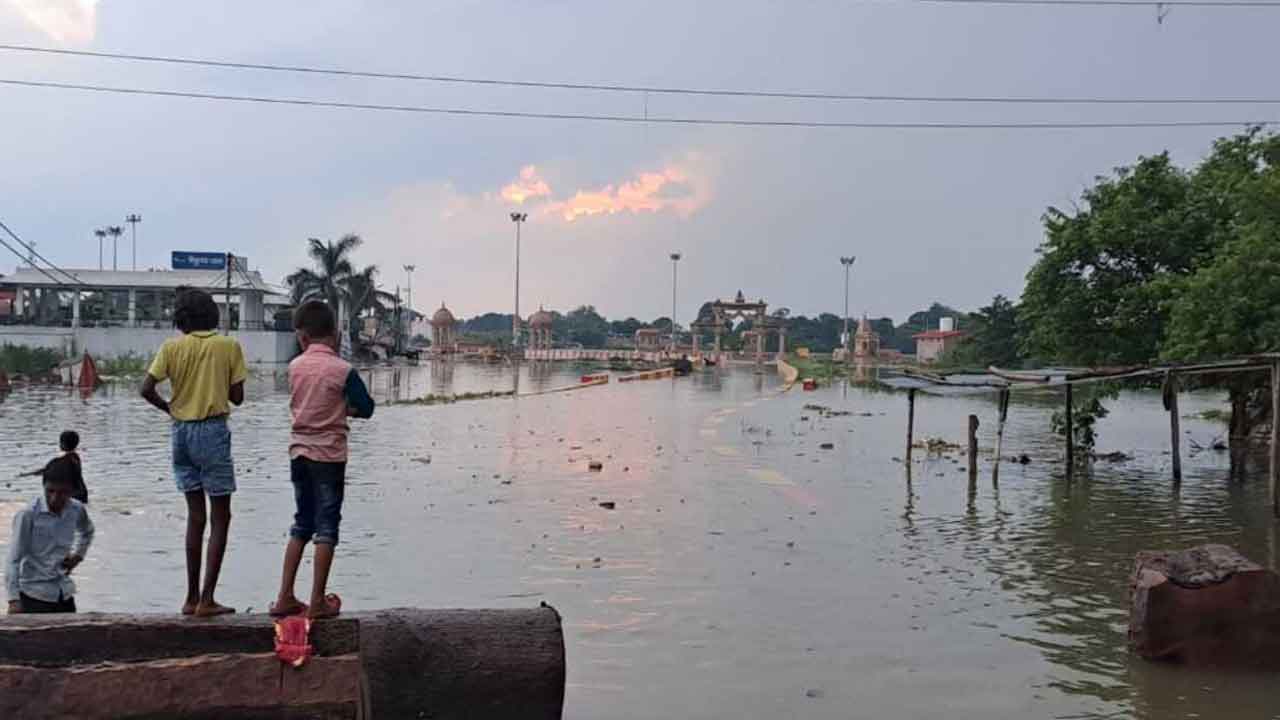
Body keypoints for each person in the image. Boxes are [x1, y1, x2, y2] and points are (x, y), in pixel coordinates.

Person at [140, 287, 247, 617]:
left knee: (195, 517)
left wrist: (170, 409)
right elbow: (237, 397)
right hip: (212, 431)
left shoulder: (171, 347)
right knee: (221, 517)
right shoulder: (228, 346)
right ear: (212, 314)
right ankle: (207, 599)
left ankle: (190, 598)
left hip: (180, 434)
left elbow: (146, 389)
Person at [271, 300, 374, 620]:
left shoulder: (294, 366)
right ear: (337, 334)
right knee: (327, 526)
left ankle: (284, 596)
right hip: (329, 457)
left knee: (302, 522)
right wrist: (345, 409)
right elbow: (367, 408)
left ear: (302, 337)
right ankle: (317, 600)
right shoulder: (343, 370)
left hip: (298, 453)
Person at [7, 456, 95, 614]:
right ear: (43, 486)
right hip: (33, 595)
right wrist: (13, 600)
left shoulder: (76, 510)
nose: (55, 498)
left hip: (64, 593)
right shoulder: (28, 515)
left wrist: (77, 556)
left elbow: (87, 532)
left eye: (63, 493)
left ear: (73, 491)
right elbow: (13, 560)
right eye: (50, 491)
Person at [17, 431, 89, 504]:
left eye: (60, 442)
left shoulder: (60, 461)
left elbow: (47, 471)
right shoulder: (76, 458)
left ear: (63, 444)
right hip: (82, 493)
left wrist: (27, 474)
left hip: (72, 495)